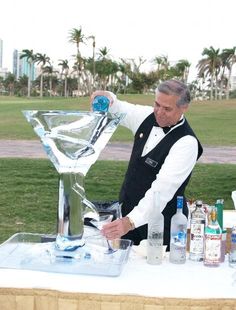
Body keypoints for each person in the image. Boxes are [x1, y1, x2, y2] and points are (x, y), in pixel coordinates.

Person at [91, 79, 203, 250]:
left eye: (167, 109)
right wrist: (107, 97)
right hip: (127, 218)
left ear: (183, 108)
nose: (159, 112)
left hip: (160, 225)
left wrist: (130, 221)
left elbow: (162, 190)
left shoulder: (187, 143)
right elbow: (119, 107)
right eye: (157, 104)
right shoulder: (146, 117)